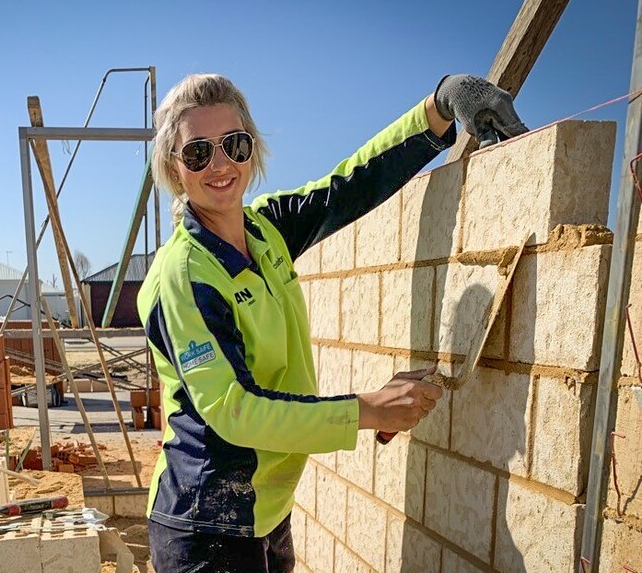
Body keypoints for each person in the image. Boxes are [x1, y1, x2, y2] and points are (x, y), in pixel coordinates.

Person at [137, 73, 527, 573]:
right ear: (174, 166)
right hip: (207, 524)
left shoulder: (264, 230)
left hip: (265, 510)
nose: (220, 165)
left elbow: (348, 187)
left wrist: (441, 104)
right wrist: (369, 410)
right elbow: (234, 412)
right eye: (197, 153)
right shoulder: (185, 277)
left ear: (252, 149)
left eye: (234, 144)